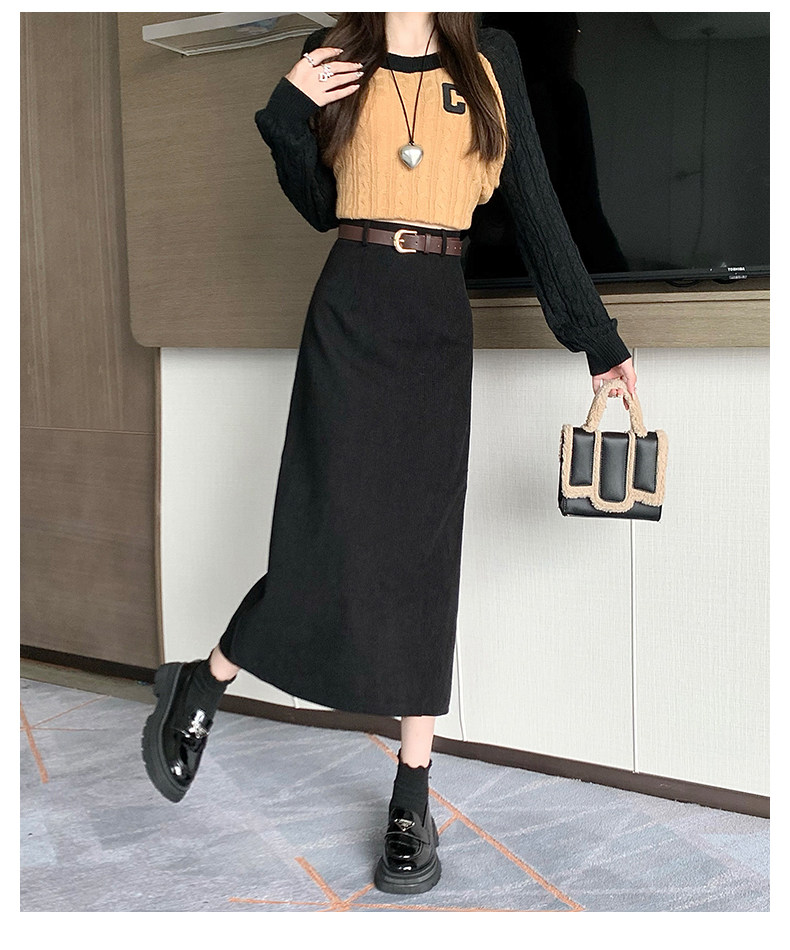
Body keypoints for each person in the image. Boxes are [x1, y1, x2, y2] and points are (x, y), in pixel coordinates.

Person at [141, 11, 637, 896]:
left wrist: (596, 339)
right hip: (350, 305)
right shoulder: (333, 52)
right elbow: (318, 205)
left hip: (435, 317)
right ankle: (203, 683)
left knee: (420, 555)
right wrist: (285, 116)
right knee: (322, 535)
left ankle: (412, 795)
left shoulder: (490, 61)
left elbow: (537, 208)